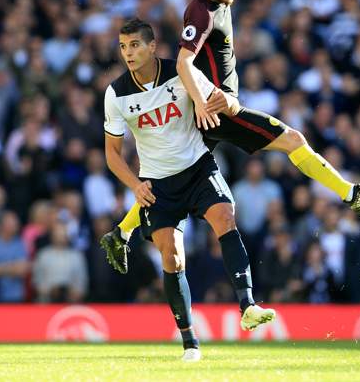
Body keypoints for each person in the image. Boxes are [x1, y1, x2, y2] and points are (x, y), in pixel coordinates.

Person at [103, 0, 360, 275]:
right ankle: (351, 196)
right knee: (293, 140)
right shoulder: (200, 13)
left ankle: (121, 233)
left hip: (213, 108)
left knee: (168, 182)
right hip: (220, 110)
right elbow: (182, 62)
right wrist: (199, 102)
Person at [101, 18, 275, 362]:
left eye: (135, 45)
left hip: (197, 167)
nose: (128, 53)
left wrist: (219, 101)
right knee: (172, 256)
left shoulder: (181, 72)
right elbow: (111, 154)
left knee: (225, 216)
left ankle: (248, 303)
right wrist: (135, 185)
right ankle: (190, 342)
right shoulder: (116, 93)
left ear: (153, 46)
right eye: (123, 47)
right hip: (157, 184)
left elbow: (217, 99)